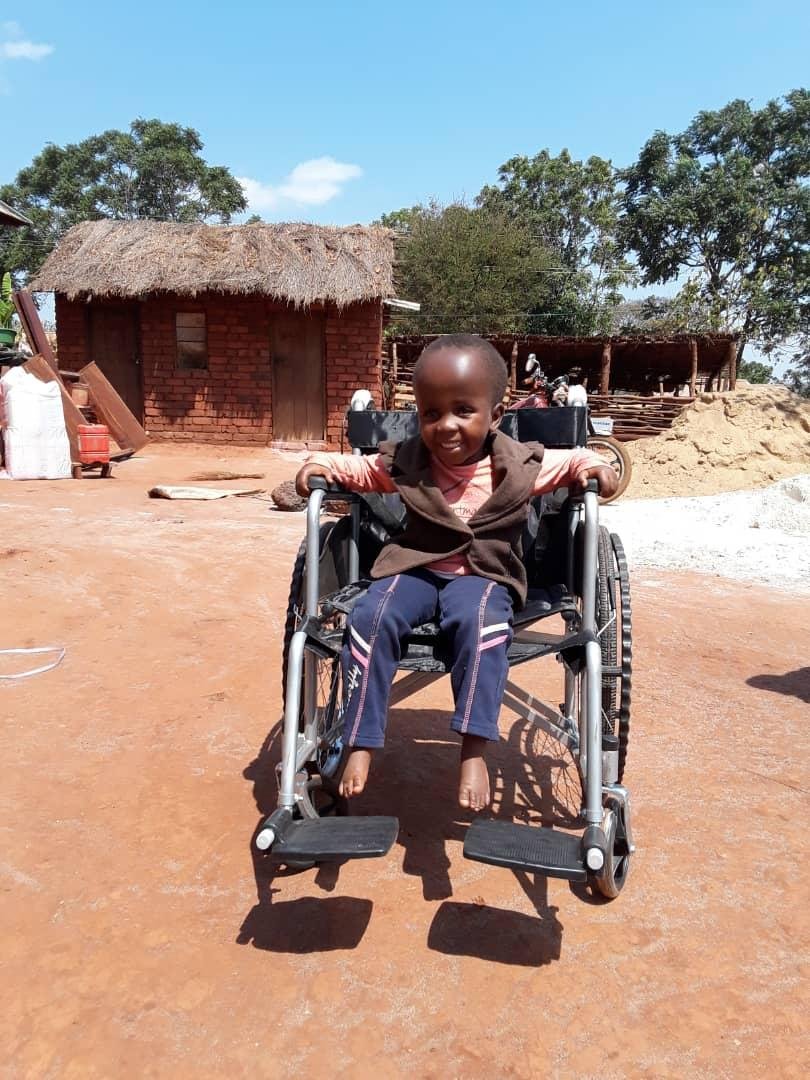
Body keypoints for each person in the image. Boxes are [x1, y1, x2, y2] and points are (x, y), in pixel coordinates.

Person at [295, 334, 617, 811]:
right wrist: (316, 464)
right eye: (431, 414)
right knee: (371, 614)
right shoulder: (407, 462)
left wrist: (598, 468)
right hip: (416, 567)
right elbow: (355, 470)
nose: (446, 426)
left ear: (496, 414)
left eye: (463, 411)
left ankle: (473, 749)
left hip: (485, 576)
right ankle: (361, 742)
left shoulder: (520, 464)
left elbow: (574, 460)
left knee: (482, 621)